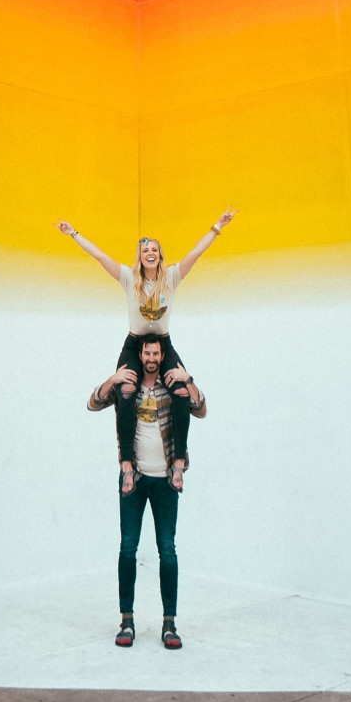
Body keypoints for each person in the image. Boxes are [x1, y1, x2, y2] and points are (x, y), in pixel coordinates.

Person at [56, 209, 234, 489]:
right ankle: (127, 464)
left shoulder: (172, 277)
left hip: (162, 344)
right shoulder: (128, 279)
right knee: (126, 391)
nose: (150, 252)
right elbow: (101, 257)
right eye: (144, 250)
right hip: (134, 344)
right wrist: (74, 234)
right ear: (139, 257)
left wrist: (217, 226)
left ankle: (177, 463)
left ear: (160, 256)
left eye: (154, 249)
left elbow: (194, 254)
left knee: (180, 390)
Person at [88, 335, 204, 649]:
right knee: (128, 549)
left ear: (161, 355)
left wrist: (187, 378)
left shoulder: (173, 386)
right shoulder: (129, 385)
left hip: (166, 480)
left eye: (156, 353)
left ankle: (170, 624)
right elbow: (93, 403)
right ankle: (126, 620)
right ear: (139, 354)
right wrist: (112, 378)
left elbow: (201, 408)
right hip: (135, 480)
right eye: (147, 352)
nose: (151, 357)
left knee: (167, 550)